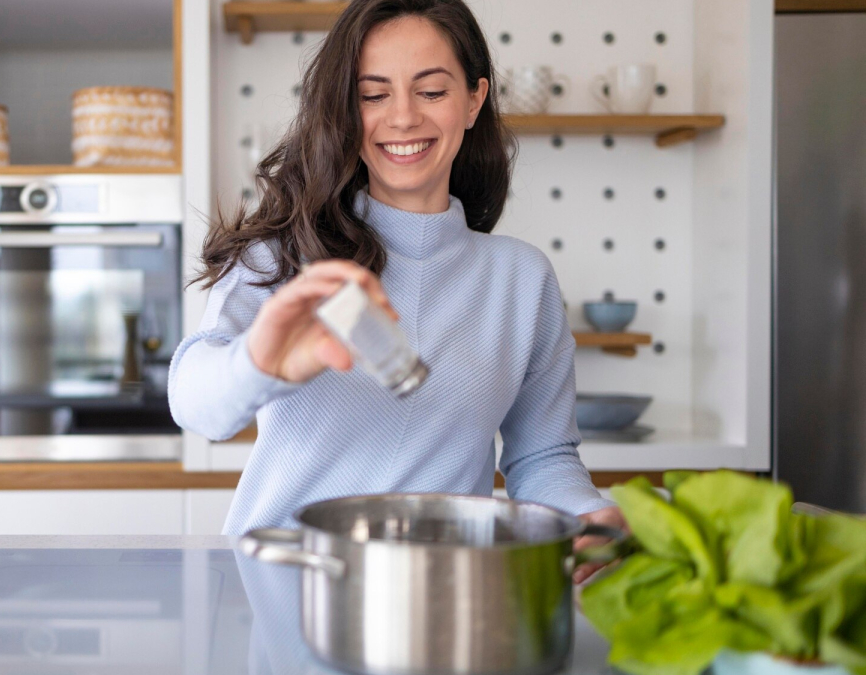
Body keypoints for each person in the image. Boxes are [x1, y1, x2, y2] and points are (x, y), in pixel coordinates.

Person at [169, 0, 623, 582]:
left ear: (474, 100)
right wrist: (261, 360)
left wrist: (588, 515)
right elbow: (196, 407)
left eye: (431, 91)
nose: (402, 118)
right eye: (372, 94)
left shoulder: (521, 279)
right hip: (288, 592)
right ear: (343, 109)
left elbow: (542, 456)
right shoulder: (283, 257)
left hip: (444, 601)